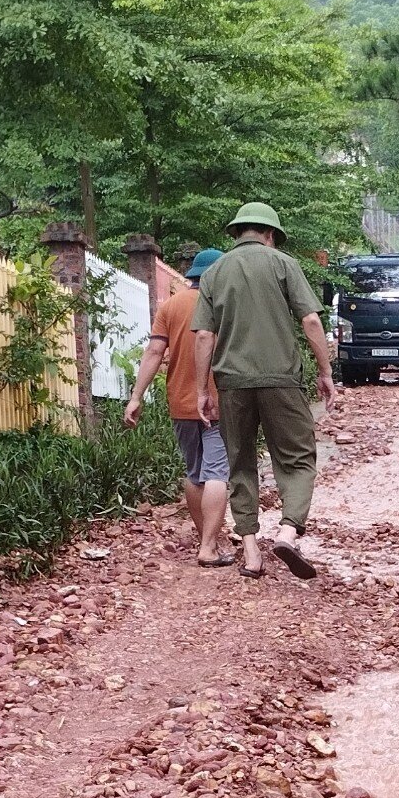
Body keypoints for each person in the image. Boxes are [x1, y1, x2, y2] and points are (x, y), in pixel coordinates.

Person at [193, 201, 335, 579]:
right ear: (270, 234)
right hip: (281, 380)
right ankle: (288, 530)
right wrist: (325, 370)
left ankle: (252, 552)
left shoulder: (214, 272)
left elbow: (205, 335)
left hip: (232, 383)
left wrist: (201, 391)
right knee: (298, 458)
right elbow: (309, 319)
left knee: (239, 462)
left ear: (238, 232)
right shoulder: (283, 263)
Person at [124, 246, 231, 566]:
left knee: (195, 473)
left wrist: (136, 396)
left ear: (192, 276)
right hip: (217, 402)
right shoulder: (225, 305)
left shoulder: (170, 306)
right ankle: (209, 546)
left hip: (180, 402)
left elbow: (154, 353)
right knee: (217, 473)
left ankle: (205, 539)